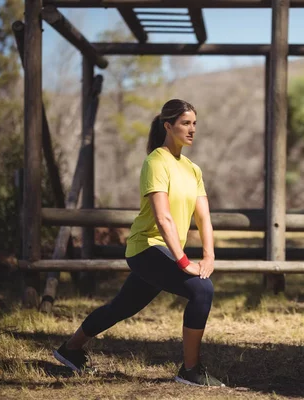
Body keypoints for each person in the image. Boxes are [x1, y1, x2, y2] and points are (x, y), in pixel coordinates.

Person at [53, 99, 225, 386]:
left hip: (163, 251)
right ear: (168, 126)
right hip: (146, 248)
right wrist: (184, 261)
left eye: (194, 123)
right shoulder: (156, 162)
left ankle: (70, 348)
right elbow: (163, 218)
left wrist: (209, 256)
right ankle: (190, 370)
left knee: (122, 307)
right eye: (185, 123)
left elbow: (204, 218)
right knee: (202, 289)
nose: (192, 129)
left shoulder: (193, 170)